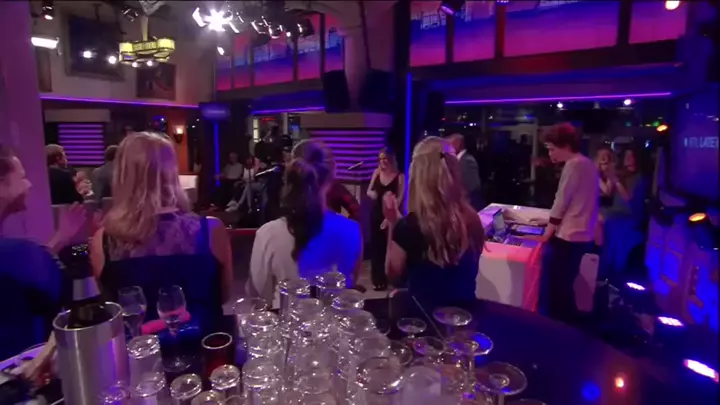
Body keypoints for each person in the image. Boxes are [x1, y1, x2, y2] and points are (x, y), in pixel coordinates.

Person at [89, 132, 233, 334]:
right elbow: (224, 296)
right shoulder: (211, 230)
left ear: (122, 176)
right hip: (206, 345)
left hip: (136, 352)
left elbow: (107, 309)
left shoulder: (104, 241)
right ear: (172, 172)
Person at [249, 139, 363, 305]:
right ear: (333, 175)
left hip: (286, 320)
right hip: (335, 321)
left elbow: (260, 297)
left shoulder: (268, 234)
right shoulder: (352, 230)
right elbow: (349, 285)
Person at [0, 144, 86, 360]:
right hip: (21, 366)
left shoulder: (22, 254)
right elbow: (60, 292)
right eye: (22, 177)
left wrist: (61, 237)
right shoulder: (21, 252)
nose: (28, 184)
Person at [382, 137, 485, 310]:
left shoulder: (409, 226)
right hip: (466, 315)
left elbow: (393, 276)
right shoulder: (472, 219)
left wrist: (393, 223)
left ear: (418, 176)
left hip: (424, 319)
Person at [529, 123, 598, 324]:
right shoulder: (587, 163)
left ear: (565, 145)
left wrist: (546, 233)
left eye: (552, 149)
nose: (550, 154)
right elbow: (577, 203)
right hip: (581, 236)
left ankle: (555, 330)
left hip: (568, 238)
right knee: (565, 286)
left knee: (556, 290)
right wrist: (548, 220)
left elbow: (562, 201)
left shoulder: (574, 165)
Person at [367, 148, 404, 291]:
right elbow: (369, 190)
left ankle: (389, 278)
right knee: (376, 247)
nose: (382, 161)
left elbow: (399, 198)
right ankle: (377, 280)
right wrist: (373, 194)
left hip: (391, 215)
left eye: (385, 158)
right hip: (376, 213)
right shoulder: (376, 172)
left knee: (388, 246)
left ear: (391, 159)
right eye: (380, 159)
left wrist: (389, 217)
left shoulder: (400, 176)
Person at [448, 133, 483, 211]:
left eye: (449, 145)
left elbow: (473, 188)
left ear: (458, 144)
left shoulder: (467, 161)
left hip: (470, 207)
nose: (446, 148)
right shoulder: (454, 160)